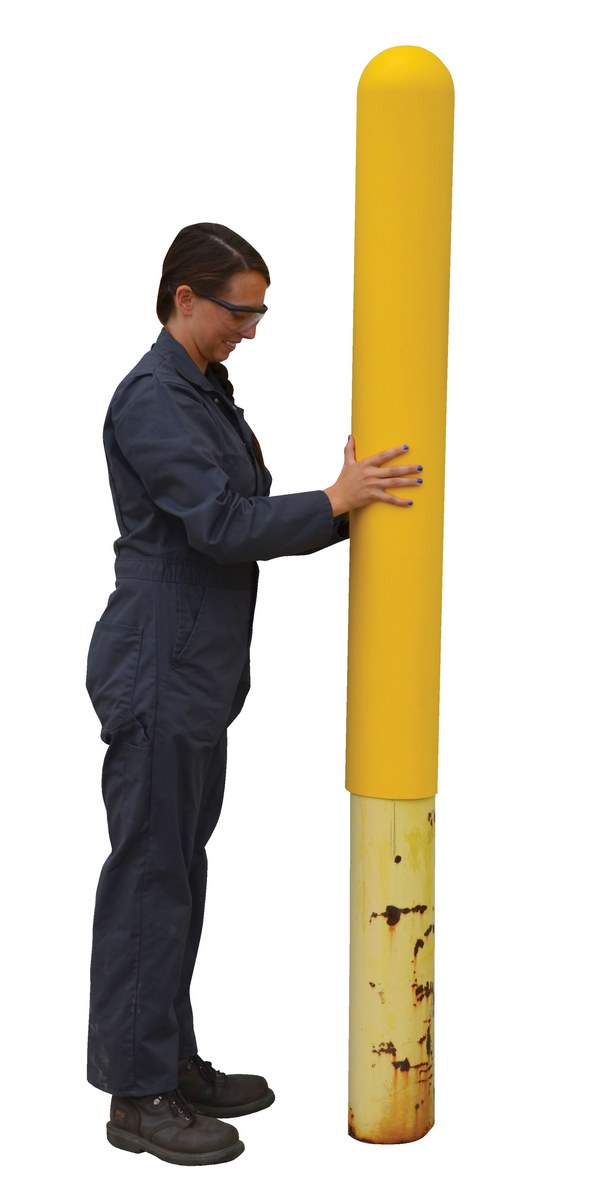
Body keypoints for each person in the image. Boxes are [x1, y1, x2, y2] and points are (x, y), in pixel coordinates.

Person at [86, 222, 423, 1167]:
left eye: (259, 313)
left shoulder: (205, 389)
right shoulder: (154, 398)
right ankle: (136, 1099)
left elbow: (248, 513)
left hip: (193, 670)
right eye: (239, 311)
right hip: (158, 665)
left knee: (178, 874)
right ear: (184, 297)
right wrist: (338, 500)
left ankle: (169, 1060)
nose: (249, 329)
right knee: (150, 878)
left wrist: (350, 505)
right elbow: (222, 525)